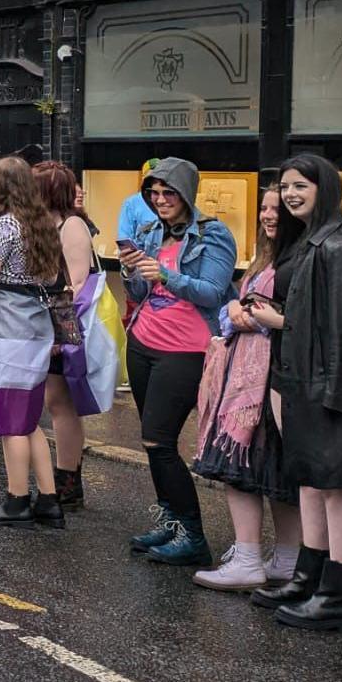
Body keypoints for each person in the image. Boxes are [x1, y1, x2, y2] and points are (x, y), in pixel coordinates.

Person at [248, 154, 342, 631]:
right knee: (309, 482)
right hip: (301, 377)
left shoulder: (339, 245)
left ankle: (337, 595)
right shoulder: (309, 239)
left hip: (328, 384)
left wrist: (335, 394)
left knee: (335, 488)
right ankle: (309, 577)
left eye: (300, 185)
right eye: (285, 187)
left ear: (324, 187)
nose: (290, 194)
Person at [120, 157, 239, 566]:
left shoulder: (213, 234)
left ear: (186, 192)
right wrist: (131, 272)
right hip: (142, 342)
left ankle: (193, 535)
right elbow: (141, 288)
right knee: (151, 444)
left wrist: (168, 276)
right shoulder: (150, 231)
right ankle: (170, 522)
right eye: (153, 193)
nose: (160, 200)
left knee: (160, 439)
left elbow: (213, 290)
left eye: (168, 192)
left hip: (186, 349)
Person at [190, 187, 303, 591]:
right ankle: (287, 559)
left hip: (263, 379)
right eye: (265, 208)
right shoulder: (270, 257)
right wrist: (233, 310)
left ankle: (249, 556)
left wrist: (250, 315)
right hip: (255, 373)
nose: (269, 216)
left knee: (243, 467)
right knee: (273, 468)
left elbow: (294, 317)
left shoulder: (296, 258)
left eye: (279, 209)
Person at [0, 155, 65, 529]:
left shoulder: (4, 226)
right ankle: (49, 501)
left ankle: (17, 501)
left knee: (11, 422)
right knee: (28, 419)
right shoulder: (42, 225)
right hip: (34, 329)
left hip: (5, 333)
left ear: (0, 186)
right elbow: (48, 276)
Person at [31, 162, 98, 506]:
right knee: (55, 402)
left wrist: (57, 336)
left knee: (62, 405)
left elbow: (75, 284)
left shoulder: (72, 225)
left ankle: (69, 480)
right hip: (50, 324)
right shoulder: (49, 224)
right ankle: (65, 477)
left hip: (62, 324)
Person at [116, 159, 160, 248]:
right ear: (144, 179)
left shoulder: (173, 202)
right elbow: (124, 239)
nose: (156, 182)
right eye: (151, 178)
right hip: (142, 259)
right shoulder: (132, 203)